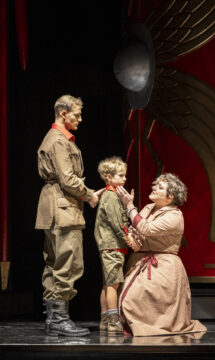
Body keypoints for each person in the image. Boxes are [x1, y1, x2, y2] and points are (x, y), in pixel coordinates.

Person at [35, 94, 103, 337]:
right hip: (62, 207)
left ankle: (54, 318)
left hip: (55, 206)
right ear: (63, 114)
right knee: (68, 263)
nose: (80, 119)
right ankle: (59, 319)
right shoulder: (59, 142)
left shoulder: (58, 139)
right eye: (77, 114)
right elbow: (68, 179)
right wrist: (89, 195)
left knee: (55, 263)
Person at [116, 173, 207, 336]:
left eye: (160, 187)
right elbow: (136, 227)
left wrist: (130, 206)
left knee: (132, 298)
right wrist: (133, 238)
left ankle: (148, 327)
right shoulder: (148, 208)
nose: (154, 188)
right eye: (155, 185)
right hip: (140, 260)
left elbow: (146, 229)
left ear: (170, 196)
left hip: (163, 265)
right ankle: (133, 327)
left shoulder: (174, 216)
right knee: (125, 296)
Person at [94, 157, 133, 334]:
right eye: (120, 175)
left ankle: (105, 320)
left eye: (124, 175)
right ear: (109, 177)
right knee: (113, 284)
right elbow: (117, 223)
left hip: (111, 245)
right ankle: (113, 321)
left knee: (108, 283)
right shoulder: (110, 196)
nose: (124, 179)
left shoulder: (112, 194)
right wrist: (128, 238)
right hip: (112, 246)